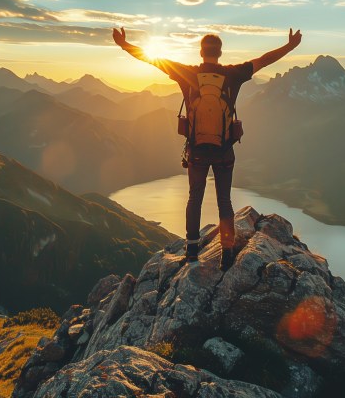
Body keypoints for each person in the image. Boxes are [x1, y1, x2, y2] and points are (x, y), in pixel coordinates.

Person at [113, 27, 302, 270]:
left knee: (195, 198)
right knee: (224, 200)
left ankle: (191, 252)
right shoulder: (233, 74)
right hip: (224, 151)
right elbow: (264, 60)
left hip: (197, 151)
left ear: (201, 52)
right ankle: (226, 253)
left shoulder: (187, 73)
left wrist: (123, 44)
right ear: (220, 52)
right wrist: (290, 46)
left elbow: (152, 59)